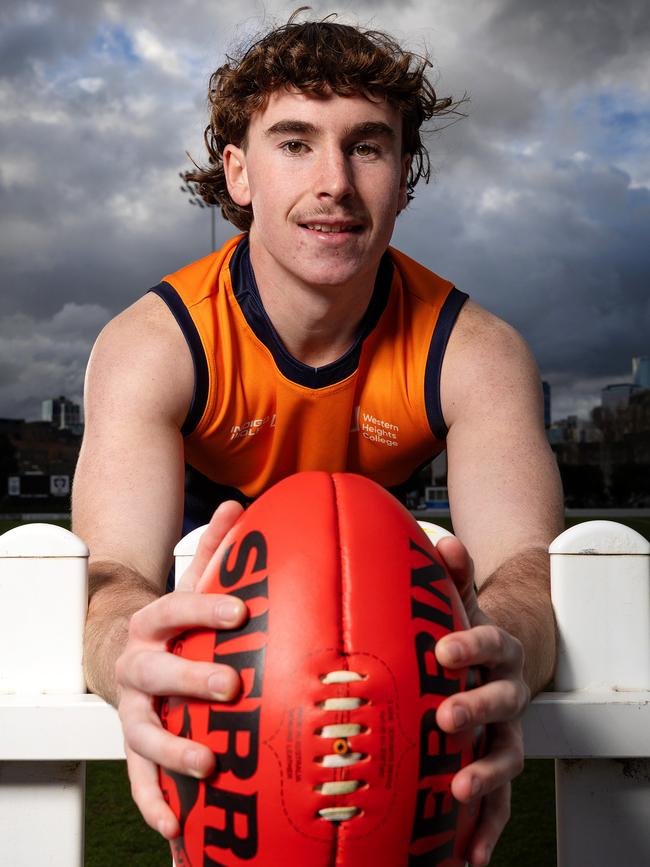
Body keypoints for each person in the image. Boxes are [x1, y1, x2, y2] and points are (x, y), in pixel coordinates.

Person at [73, 13, 563, 867]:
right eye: (294, 143)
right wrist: (126, 649)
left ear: (404, 176)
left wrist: (491, 649)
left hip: (385, 556)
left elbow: (527, 566)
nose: (334, 181)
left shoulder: (474, 351)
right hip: (213, 553)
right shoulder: (154, 343)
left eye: (368, 146)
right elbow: (114, 574)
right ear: (239, 172)